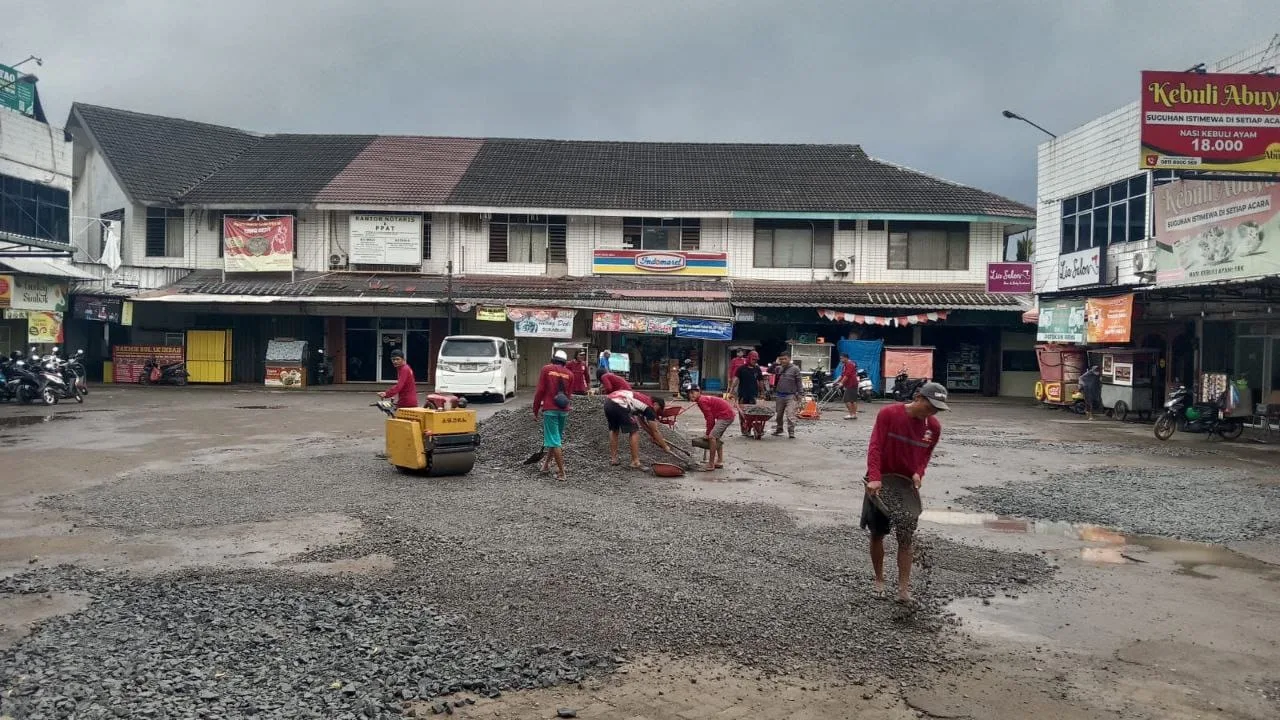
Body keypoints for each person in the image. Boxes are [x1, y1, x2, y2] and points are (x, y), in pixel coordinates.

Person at [863, 382, 947, 603]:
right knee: (877, 534)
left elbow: (925, 455)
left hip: (905, 486)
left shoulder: (933, 428)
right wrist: (874, 477)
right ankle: (879, 580)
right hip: (881, 481)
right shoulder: (889, 414)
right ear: (918, 398)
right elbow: (875, 446)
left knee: (906, 538)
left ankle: (903, 589)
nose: (932, 412)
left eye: (936, 409)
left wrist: (919, 472)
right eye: (930, 406)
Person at [532, 349, 575, 482]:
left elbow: (540, 391)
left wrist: (535, 410)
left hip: (550, 409)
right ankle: (546, 465)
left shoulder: (546, 369)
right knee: (555, 438)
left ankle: (562, 473)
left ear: (553, 359)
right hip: (563, 410)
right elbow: (569, 395)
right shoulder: (570, 374)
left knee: (555, 441)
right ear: (564, 362)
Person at [688, 385, 736, 471]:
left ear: (699, 392)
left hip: (725, 415)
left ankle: (711, 463)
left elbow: (710, 418)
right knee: (715, 436)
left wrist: (708, 433)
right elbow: (710, 418)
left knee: (712, 437)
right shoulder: (701, 400)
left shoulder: (702, 401)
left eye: (693, 392)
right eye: (689, 393)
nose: (691, 395)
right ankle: (719, 461)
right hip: (726, 414)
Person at [770, 352, 803, 438]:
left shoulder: (795, 369)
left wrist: (800, 394)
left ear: (789, 359)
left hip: (791, 396)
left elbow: (799, 382)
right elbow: (769, 371)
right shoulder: (779, 368)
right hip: (780, 395)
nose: (783, 361)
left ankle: (791, 432)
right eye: (781, 359)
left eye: (785, 359)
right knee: (779, 415)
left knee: (790, 415)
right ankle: (779, 429)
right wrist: (775, 363)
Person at [839, 352, 860, 420]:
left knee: (847, 399)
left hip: (851, 384)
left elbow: (847, 375)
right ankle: (854, 414)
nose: (841, 360)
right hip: (851, 384)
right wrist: (835, 382)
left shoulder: (850, 364)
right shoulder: (845, 365)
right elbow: (842, 375)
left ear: (846, 358)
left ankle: (852, 414)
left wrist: (841, 383)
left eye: (842, 358)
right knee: (853, 400)